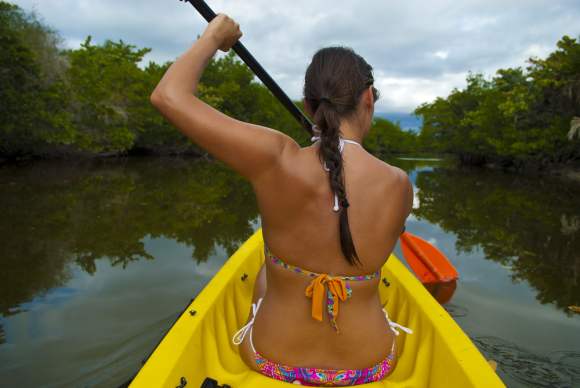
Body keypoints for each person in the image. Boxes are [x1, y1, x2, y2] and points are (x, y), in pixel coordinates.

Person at [150, 13, 414, 386]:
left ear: (308, 105)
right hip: (370, 365)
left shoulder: (275, 157)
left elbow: (168, 96)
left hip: (273, 359)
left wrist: (214, 36)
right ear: (368, 98)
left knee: (264, 269)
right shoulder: (400, 184)